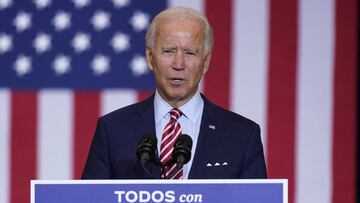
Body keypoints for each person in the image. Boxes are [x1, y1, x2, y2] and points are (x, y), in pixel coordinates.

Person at [82, 7, 267, 179]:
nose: (178, 64)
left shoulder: (242, 135)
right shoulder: (113, 130)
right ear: (150, 57)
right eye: (168, 51)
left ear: (206, 62)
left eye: (190, 53)